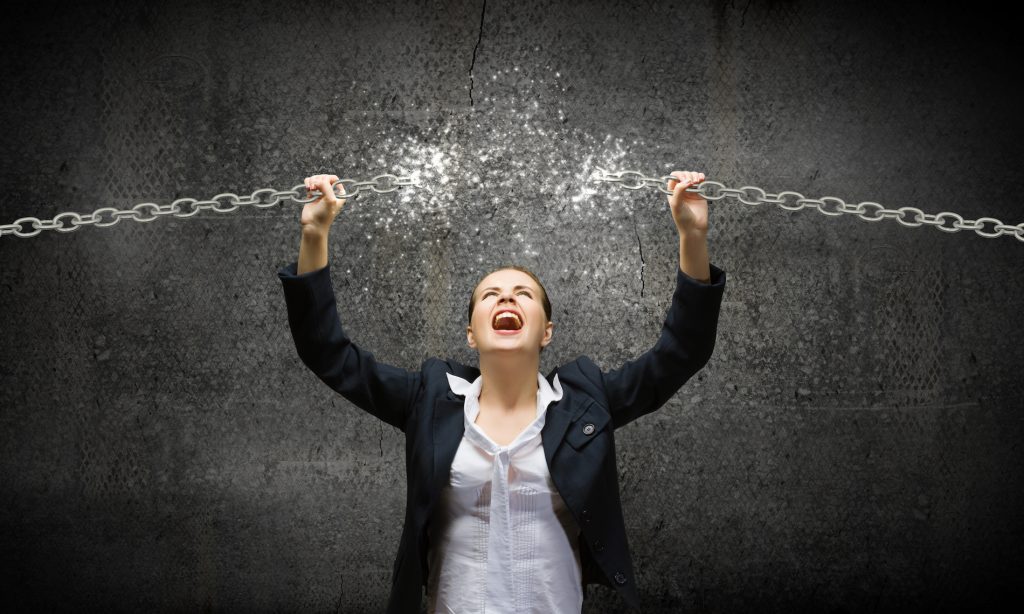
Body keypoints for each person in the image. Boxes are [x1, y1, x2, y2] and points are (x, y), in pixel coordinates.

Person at [277, 170, 727, 613]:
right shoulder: (430, 401)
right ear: (471, 334)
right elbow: (328, 353)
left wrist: (693, 235)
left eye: (522, 294)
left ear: (546, 331)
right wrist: (314, 233)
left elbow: (681, 352)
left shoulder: (586, 406)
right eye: (490, 295)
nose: (506, 299)